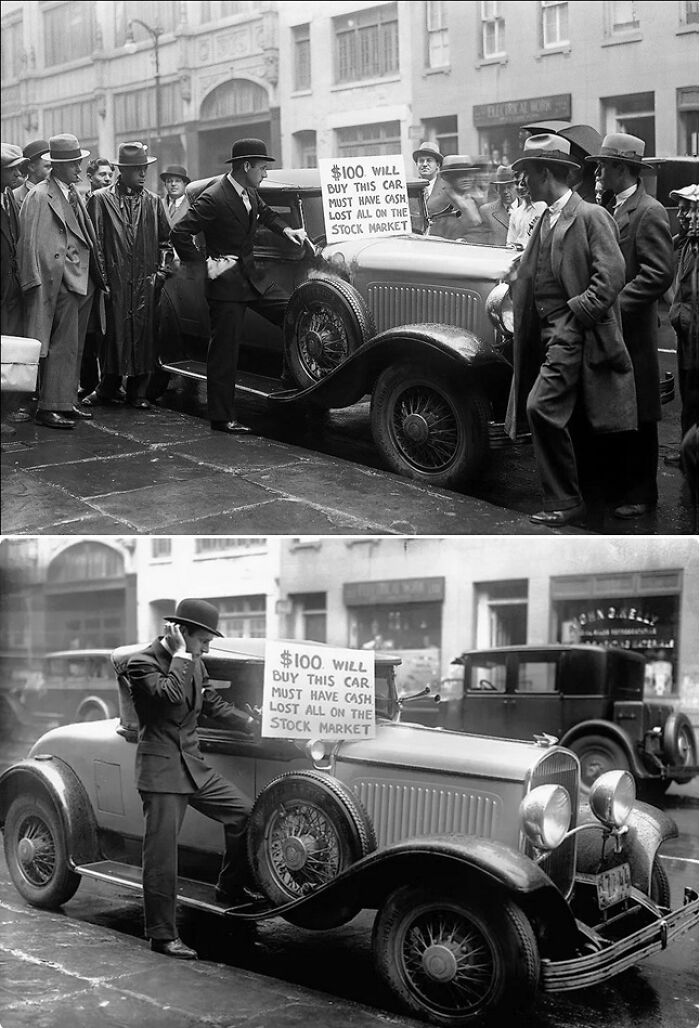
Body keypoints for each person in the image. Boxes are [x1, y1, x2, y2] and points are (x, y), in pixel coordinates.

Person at [505, 133, 637, 526]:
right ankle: (585, 496)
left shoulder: (591, 216)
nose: (523, 182)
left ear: (546, 173)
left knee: (540, 408)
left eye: (527, 173)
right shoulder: (546, 216)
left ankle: (565, 501)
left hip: (571, 331)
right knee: (569, 416)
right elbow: (534, 270)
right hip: (545, 331)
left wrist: (575, 316)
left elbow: (612, 277)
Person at [126, 599, 261, 960]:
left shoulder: (195, 663)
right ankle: (162, 935)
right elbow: (169, 698)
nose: (207, 648)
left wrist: (248, 722)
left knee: (246, 815)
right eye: (204, 641)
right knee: (162, 858)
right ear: (183, 633)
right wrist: (183, 657)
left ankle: (230, 887)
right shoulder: (141, 663)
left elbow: (209, 701)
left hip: (193, 766)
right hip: (161, 773)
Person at [170, 138, 308, 434]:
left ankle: (290, 381)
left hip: (252, 279)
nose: (266, 173)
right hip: (225, 286)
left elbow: (266, 214)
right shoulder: (215, 197)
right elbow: (180, 232)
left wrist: (288, 230)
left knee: (295, 314)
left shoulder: (249, 192)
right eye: (262, 168)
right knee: (224, 352)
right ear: (246, 166)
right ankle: (222, 418)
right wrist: (204, 265)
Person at [586, 133, 674, 520]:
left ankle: (643, 494)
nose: (599, 172)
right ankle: (616, 487)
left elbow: (658, 274)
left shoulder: (649, 211)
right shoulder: (607, 205)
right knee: (614, 408)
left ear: (622, 168)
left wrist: (614, 305)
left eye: (604, 166)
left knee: (639, 412)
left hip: (632, 332)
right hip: (610, 330)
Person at [18, 134, 108, 430]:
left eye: (79, 163)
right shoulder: (41, 195)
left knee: (74, 346)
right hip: (58, 282)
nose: (79, 169)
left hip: (79, 281)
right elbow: (28, 242)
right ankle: (50, 406)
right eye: (74, 164)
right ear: (58, 165)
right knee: (60, 345)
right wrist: (33, 282)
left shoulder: (69, 191)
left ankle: (66, 401)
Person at [84, 141, 171, 410]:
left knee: (144, 336)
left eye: (145, 168)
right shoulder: (101, 200)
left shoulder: (154, 202)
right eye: (137, 169)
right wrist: (104, 281)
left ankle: (138, 391)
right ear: (124, 170)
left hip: (145, 281)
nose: (143, 173)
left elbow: (166, 242)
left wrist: (160, 274)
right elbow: (94, 242)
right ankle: (107, 387)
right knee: (114, 335)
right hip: (115, 281)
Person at [665, 184, 698, 468]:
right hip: (687, 334)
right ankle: (688, 447)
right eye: (683, 209)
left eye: (691, 208)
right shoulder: (686, 243)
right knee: (689, 394)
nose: (684, 215)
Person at [79, 158, 115, 398]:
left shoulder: (112, 202)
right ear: (90, 177)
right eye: (102, 174)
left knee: (107, 332)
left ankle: (108, 383)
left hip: (108, 278)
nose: (107, 178)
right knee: (88, 334)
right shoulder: (82, 202)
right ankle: (88, 382)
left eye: (110, 174)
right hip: (87, 279)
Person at [1, 143, 26, 436]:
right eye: (11, 169)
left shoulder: (8, 197)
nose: (18, 174)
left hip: (10, 289)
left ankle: (5, 410)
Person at [427, 155, 483, 241]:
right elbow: (435, 241)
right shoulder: (440, 208)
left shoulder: (478, 203)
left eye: (468, 175)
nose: (466, 179)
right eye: (459, 175)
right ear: (450, 178)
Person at [507, 171, 546, 249]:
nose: (519, 188)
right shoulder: (516, 213)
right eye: (516, 183)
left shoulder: (545, 208)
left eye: (523, 184)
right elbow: (510, 243)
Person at [478, 165, 516, 246]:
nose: (506, 191)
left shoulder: (530, 209)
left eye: (509, 187)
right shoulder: (486, 211)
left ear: (517, 187)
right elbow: (482, 242)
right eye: (502, 187)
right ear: (496, 189)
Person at [412, 141, 450, 219]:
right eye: (421, 161)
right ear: (416, 164)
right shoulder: (411, 188)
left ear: (438, 165)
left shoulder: (448, 188)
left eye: (429, 160)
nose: (425, 164)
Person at [12, 139, 51, 209]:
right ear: (31, 167)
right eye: (47, 167)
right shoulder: (15, 197)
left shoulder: (56, 192)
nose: (52, 171)